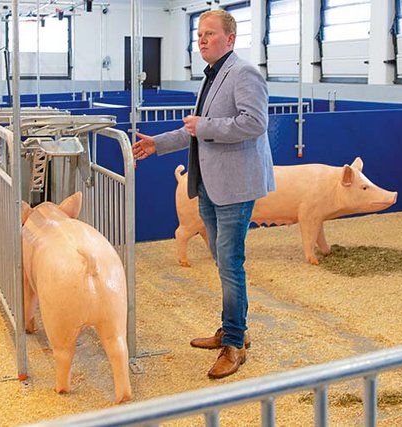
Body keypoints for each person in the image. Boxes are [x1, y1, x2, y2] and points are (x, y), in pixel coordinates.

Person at [132, 9, 274, 380]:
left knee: (229, 263)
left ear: (230, 39)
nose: (202, 40)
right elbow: (195, 130)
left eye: (209, 34)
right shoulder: (212, 76)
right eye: (199, 35)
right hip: (211, 182)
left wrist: (205, 125)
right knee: (222, 260)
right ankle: (232, 331)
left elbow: (256, 123)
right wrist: (157, 144)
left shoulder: (244, 72)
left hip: (235, 184)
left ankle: (235, 345)